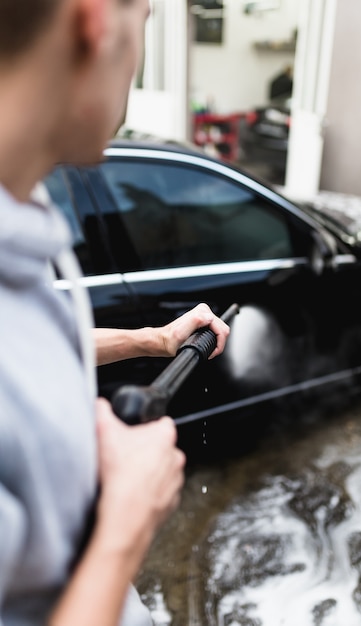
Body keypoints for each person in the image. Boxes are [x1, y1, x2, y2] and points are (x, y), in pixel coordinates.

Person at [0, 1, 230, 625]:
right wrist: (127, 520)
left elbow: (22, 339)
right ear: (95, 21)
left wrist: (154, 340)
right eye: (146, 22)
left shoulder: (22, 228)